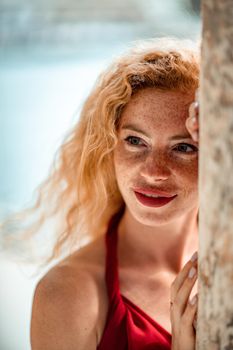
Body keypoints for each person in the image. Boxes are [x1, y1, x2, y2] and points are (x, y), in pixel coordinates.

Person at [29, 37, 200, 350]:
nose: (153, 170)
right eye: (135, 141)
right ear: (108, 145)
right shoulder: (68, 295)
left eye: (184, 147)